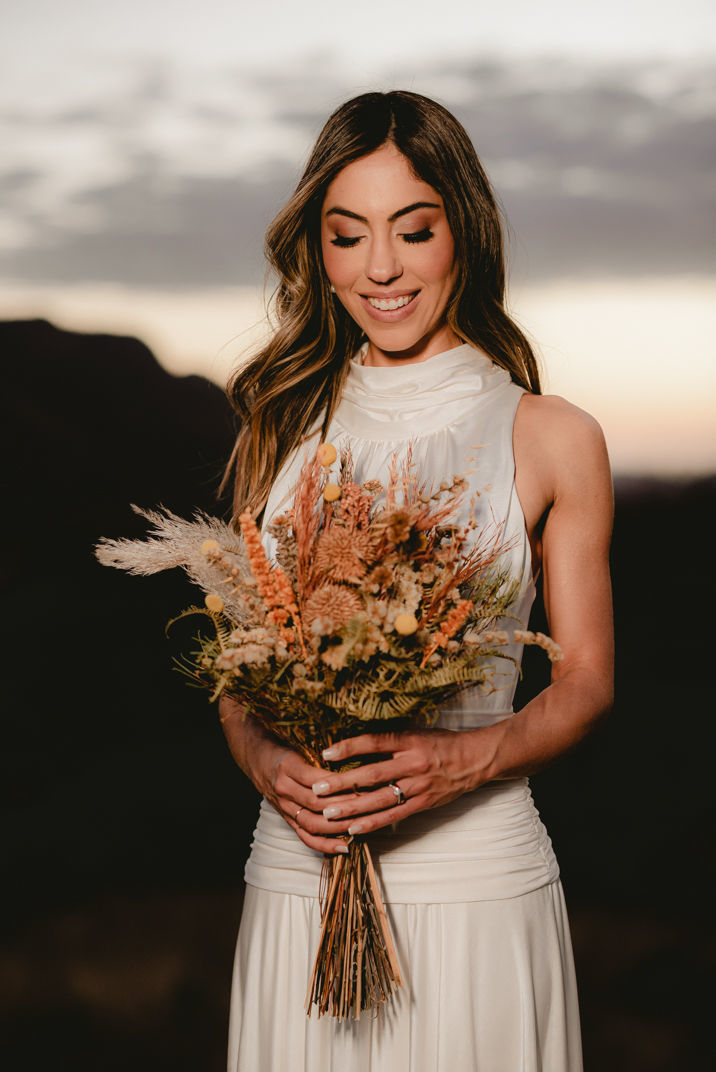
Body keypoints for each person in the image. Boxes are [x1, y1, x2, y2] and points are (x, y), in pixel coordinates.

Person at [218, 90, 614, 1072]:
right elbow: (237, 675)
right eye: (347, 235)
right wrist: (268, 764)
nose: (380, 268)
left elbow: (587, 682)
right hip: (294, 889)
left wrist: (461, 760)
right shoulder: (278, 433)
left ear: (462, 233)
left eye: (412, 229)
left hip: (477, 890)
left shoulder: (551, 436)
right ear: (317, 247)